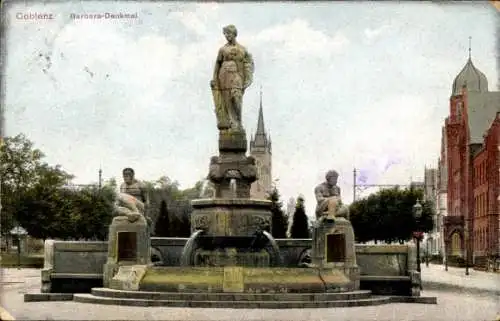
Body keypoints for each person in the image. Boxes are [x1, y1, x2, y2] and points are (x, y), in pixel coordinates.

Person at [210, 24, 254, 130]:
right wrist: (215, 79)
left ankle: (238, 122)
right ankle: (232, 123)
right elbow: (217, 64)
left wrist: (248, 77)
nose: (226, 36)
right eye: (225, 34)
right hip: (224, 76)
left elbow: (249, 62)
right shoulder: (222, 49)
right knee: (227, 101)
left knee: (236, 98)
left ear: (234, 33)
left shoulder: (242, 49)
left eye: (228, 33)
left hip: (237, 76)